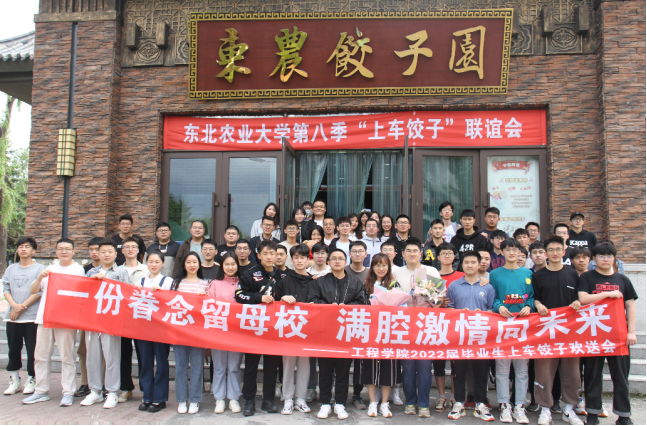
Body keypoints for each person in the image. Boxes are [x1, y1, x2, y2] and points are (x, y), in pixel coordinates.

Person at [578, 242, 637, 426]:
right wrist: (608, 294)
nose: (605, 259)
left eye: (609, 255)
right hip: (594, 335)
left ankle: (624, 415)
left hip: (618, 336)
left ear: (614, 258)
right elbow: (583, 298)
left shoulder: (623, 280)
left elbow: (630, 306)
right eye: (601, 256)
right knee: (592, 375)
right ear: (594, 259)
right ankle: (592, 414)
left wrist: (631, 332)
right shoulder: (587, 277)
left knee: (620, 376)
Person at [22, 238, 85, 407]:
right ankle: (40, 391)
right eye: (60, 249)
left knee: (67, 356)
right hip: (45, 317)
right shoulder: (49, 269)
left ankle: (68, 392)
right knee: (41, 355)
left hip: (65, 319)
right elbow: (33, 290)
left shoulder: (78, 270)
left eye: (67, 249)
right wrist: (39, 277)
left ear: (73, 251)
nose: (64, 252)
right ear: (55, 252)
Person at [532, 235, 585, 426]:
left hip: (570, 331)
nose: (555, 253)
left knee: (572, 371)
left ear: (564, 252)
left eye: (558, 249)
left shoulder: (572, 274)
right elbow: (534, 298)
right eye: (551, 250)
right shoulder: (538, 275)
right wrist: (538, 304)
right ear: (546, 253)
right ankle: (545, 409)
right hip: (546, 330)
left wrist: (578, 302)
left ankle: (569, 409)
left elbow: (580, 297)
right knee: (544, 371)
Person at [308, 248, 366, 420]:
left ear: (346, 262)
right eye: (334, 258)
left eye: (341, 258)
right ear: (328, 262)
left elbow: (363, 303)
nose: (337, 261)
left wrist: (346, 308)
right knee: (325, 370)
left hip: (346, 333)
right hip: (325, 332)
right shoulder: (320, 282)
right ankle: (325, 403)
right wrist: (328, 308)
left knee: (343, 370)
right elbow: (312, 301)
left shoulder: (355, 282)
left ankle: (340, 403)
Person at [235, 239, 283, 417]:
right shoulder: (249, 274)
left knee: (271, 366)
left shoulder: (282, 275)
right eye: (266, 253)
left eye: (272, 253)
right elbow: (239, 295)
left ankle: (268, 400)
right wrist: (259, 298)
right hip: (254, 328)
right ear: (259, 255)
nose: (269, 257)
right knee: (251, 366)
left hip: (274, 329)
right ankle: (249, 401)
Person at [81, 239, 131, 409]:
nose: (106, 255)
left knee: (111, 356)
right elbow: (83, 293)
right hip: (92, 320)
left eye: (110, 251)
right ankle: (95, 390)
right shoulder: (91, 272)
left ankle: (112, 391)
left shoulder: (121, 272)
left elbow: (127, 294)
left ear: (116, 254)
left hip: (111, 320)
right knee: (93, 356)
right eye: (103, 252)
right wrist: (92, 280)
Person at [447, 251, 496, 422]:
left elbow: (492, 310)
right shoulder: (454, 286)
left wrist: (483, 313)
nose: (469, 265)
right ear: (462, 265)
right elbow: (448, 308)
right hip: (460, 336)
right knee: (458, 372)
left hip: (481, 337)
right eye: (466, 262)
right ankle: (459, 403)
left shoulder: (487, 287)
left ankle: (480, 404)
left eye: (473, 262)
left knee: (481, 371)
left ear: (479, 264)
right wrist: (460, 312)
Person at [490, 238, 533, 424]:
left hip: (523, 327)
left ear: (520, 252)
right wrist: (498, 306)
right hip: (502, 327)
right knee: (502, 369)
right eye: (508, 249)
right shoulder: (495, 274)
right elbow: (492, 296)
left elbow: (532, 296)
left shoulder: (528, 273)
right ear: (502, 252)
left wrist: (529, 306)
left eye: (515, 249)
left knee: (522, 370)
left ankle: (520, 406)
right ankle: (504, 405)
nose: (512, 252)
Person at [3, 237, 44, 396]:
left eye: (27, 246)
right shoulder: (11, 268)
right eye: (20, 246)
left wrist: (21, 308)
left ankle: (31, 379)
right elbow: (6, 288)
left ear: (33, 251)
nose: (23, 249)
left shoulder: (40, 268)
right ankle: (14, 379)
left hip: (32, 317)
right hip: (12, 317)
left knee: (32, 350)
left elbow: (40, 291)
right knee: (13, 349)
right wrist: (13, 306)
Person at [275, 244, 313, 415]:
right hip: (289, 329)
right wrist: (282, 298)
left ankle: (301, 398)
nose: (299, 260)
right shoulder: (284, 281)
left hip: (307, 330)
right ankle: (288, 398)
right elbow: (274, 303)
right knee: (288, 364)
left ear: (308, 259)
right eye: (296, 257)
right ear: (291, 259)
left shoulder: (314, 282)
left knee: (305, 364)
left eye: (302, 257)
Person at [134, 250, 172, 413]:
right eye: (150, 262)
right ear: (146, 263)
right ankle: (147, 396)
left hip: (161, 328)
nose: (154, 265)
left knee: (162, 362)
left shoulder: (168, 281)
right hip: (143, 328)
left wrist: (162, 294)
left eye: (157, 262)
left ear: (163, 263)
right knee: (145, 363)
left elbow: (172, 302)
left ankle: (159, 398)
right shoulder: (140, 281)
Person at [171, 252, 209, 415]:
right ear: (184, 265)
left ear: (199, 264)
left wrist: (205, 297)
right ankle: (181, 399)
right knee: (180, 366)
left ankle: (194, 399)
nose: (192, 265)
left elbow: (210, 307)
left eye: (195, 262)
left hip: (197, 332)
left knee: (197, 366)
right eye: (189, 262)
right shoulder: (175, 283)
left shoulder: (205, 284)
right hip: (179, 331)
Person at [362, 253, 399, 419]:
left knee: (387, 367)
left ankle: (384, 402)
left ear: (389, 267)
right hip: (370, 332)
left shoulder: (394, 284)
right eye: (377, 265)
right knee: (370, 366)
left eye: (384, 265)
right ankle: (372, 401)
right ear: (372, 267)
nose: (381, 268)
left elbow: (401, 306)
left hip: (389, 332)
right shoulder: (366, 285)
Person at [207, 252, 243, 415]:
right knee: (219, 367)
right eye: (227, 264)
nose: (230, 267)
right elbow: (209, 306)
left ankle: (234, 398)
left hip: (237, 332)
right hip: (219, 331)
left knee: (234, 366)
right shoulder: (215, 283)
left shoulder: (243, 282)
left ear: (237, 265)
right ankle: (219, 398)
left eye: (233, 264)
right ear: (222, 266)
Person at [120, 237, 149, 403]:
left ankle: (146, 388)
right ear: (122, 250)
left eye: (133, 247)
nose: (130, 249)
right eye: (127, 247)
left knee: (143, 354)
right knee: (123, 353)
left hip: (141, 317)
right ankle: (126, 388)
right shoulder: (117, 271)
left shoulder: (146, 270)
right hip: (123, 317)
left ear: (138, 250)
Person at [345, 240, 369, 411]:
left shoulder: (370, 273)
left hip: (363, 323)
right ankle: (339, 393)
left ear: (366, 254)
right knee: (342, 362)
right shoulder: (343, 270)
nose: (357, 254)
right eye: (354, 251)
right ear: (350, 254)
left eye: (361, 251)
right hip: (343, 323)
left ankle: (357, 395)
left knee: (360, 363)